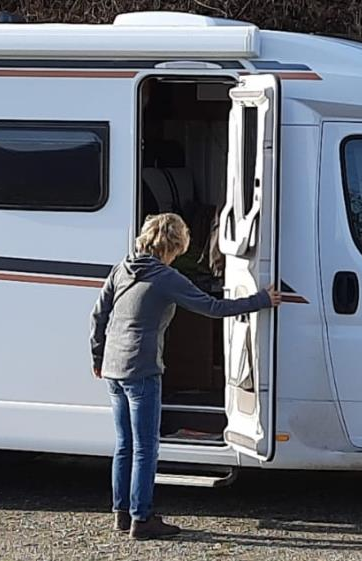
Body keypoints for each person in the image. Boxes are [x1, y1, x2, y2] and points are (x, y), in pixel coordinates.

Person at [89, 213, 281, 540]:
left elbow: (98, 316)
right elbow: (212, 307)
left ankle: (122, 514)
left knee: (124, 445)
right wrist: (260, 300)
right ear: (174, 245)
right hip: (141, 368)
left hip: (113, 367)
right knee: (145, 447)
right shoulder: (165, 277)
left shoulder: (123, 268)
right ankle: (142, 519)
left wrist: (97, 357)